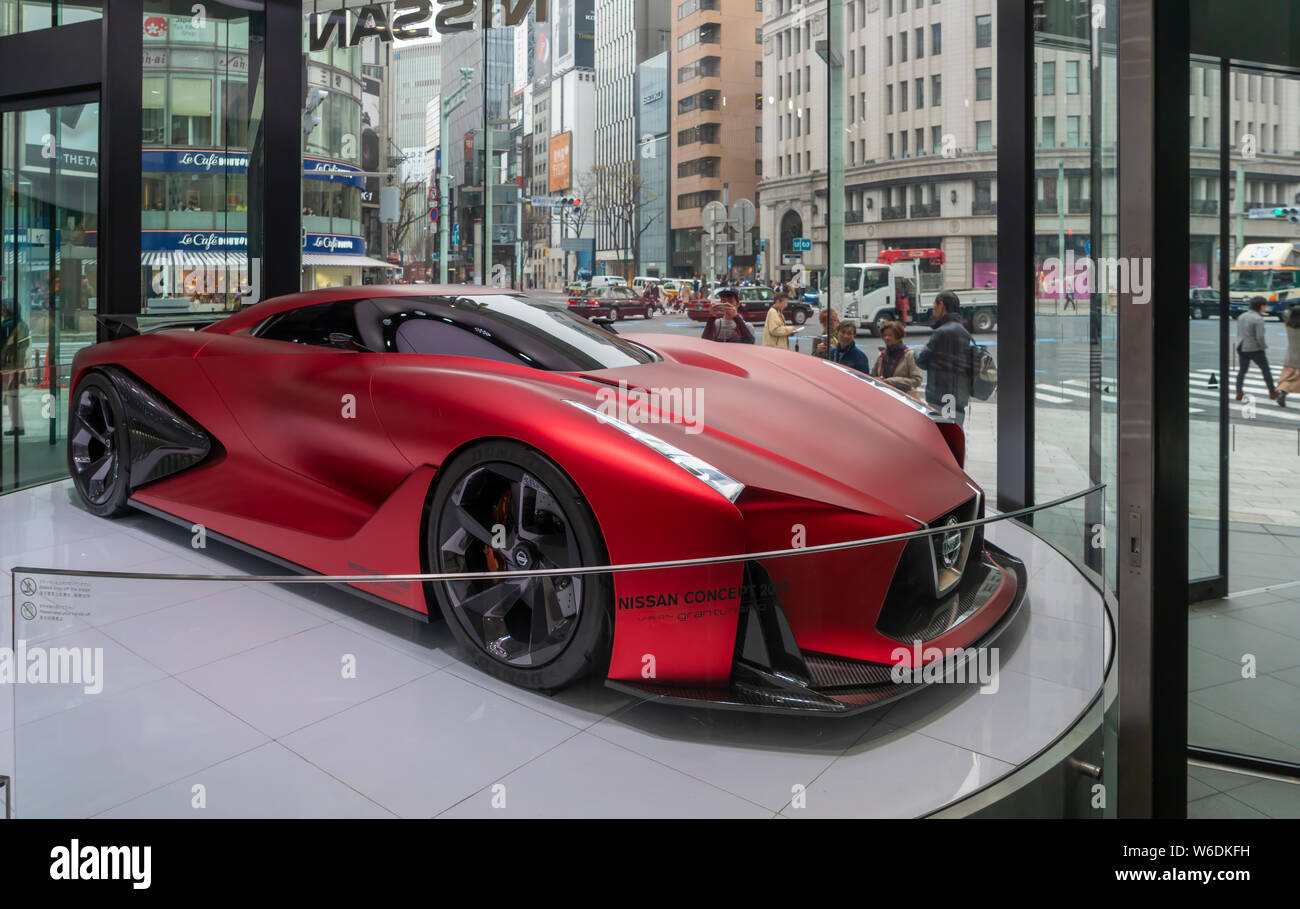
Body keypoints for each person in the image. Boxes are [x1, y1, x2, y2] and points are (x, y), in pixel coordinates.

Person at [915, 290, 975, 425]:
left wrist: (917, 352)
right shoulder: (962, 330)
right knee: (955, 434)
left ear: (941, 305)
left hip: (942, 395)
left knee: (945, 435)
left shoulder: (942, 332)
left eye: (934, 306)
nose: (933, 310)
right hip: (958, 394)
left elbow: (923, 360)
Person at [1236, 296, 1278, 401]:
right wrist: (1263, 346)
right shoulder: (1258, 319)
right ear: (1261, 306)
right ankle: (1272, 392)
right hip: (1254, 348)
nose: (1266, 307)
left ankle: (1239, 392)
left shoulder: (1242, 316)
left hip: (1242, 346)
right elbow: (1260, 337)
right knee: (1265, 370)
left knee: (1242, 370)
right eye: (1265, 305)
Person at [871, 320, 924, 398]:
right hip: (884, 397)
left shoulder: (909, 355)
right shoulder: (881, 355)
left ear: (899, 336)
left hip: (905, 399)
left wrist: (889, 381)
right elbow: (872, 376)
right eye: (884, 335)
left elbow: (916, 380)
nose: (886, 338)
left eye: (890, 335)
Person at [1, 302, 30, 437]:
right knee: (13, 396)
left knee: (11, 395)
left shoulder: (7, 325)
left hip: (7, 366)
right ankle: (17, 426)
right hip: (18, 364)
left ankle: (16, 426)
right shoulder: (22, 324)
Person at [1278, 304, 1300, 408]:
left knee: (1288, 377)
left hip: (1291, 355)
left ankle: (1283, 392)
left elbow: (1284, 313)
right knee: (1297, 378)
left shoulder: (1288, 325)